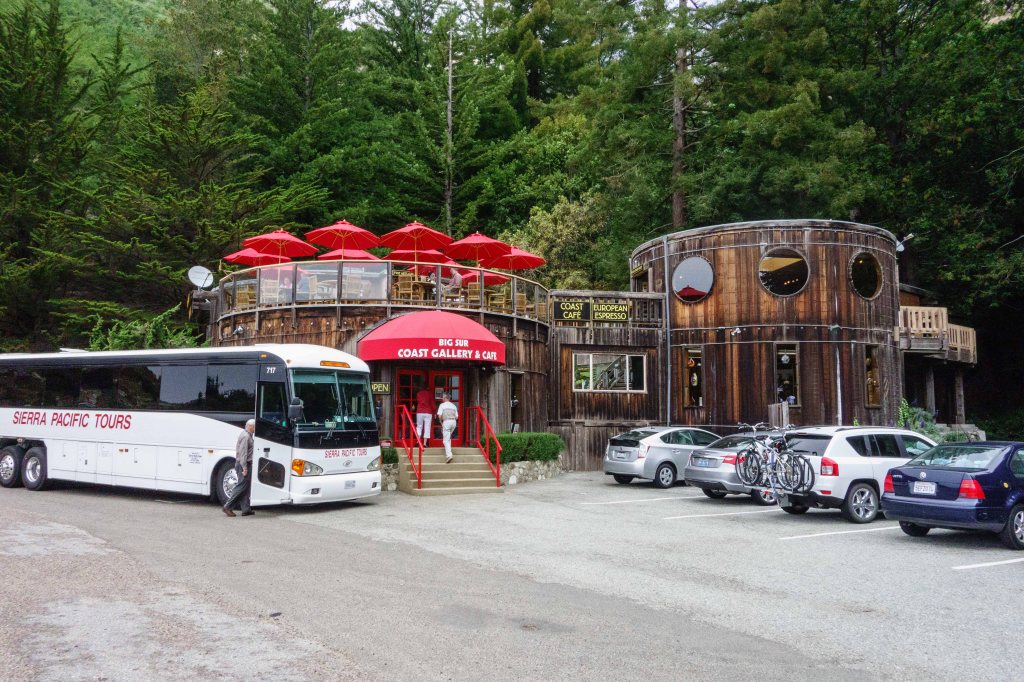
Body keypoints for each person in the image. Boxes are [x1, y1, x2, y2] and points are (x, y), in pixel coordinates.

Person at [223, 419, 255, 517]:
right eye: (254, 427)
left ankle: (246, 509)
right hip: (243, 464)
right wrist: (244, 468)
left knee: (245, 487)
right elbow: (243, 454)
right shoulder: (246, 437)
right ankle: (227, 506)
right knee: (241, 486)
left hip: (243, 464)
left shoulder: (246, 435)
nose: (255, 429)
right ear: (250, 426)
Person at [436, 391, 458, 463]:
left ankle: (449, 455)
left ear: (445, 398)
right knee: (448, 437)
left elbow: (439, 416)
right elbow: (457, 417)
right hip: (454, 422)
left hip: (447, 422)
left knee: (445, 440)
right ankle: (449, 451)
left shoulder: (442, 405)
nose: (442, 398)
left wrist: (441, 422)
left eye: (443, 397)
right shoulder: (454, 405)